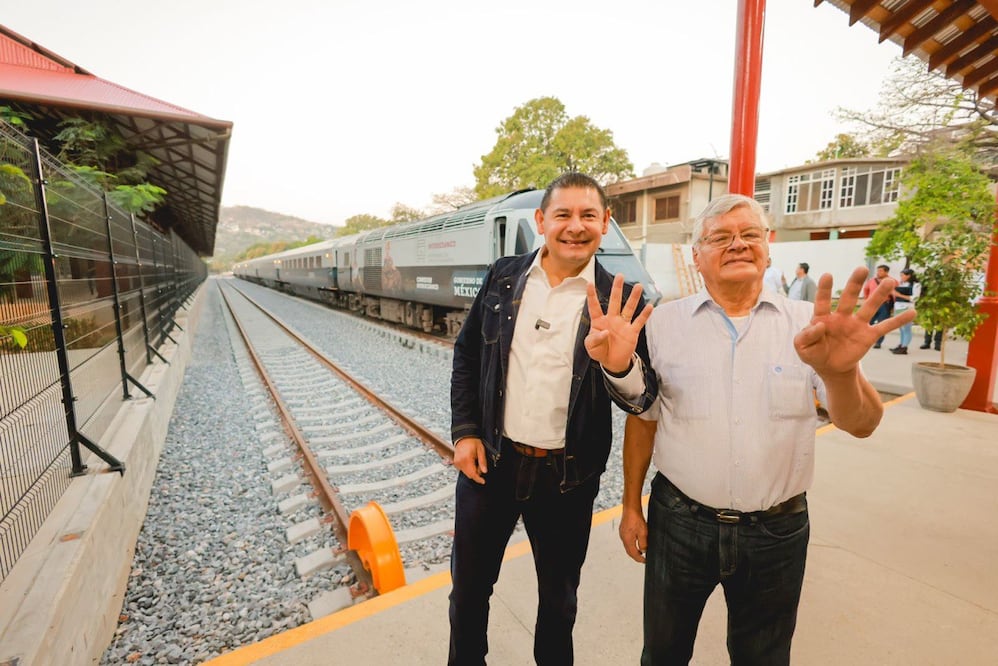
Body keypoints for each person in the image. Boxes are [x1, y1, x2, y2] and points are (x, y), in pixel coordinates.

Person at [617, 194, 913, 665]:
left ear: (768, 248)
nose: (737, 244)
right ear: (697, 256)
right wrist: (631, 506)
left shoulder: (809, 325)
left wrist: (839, 374)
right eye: (719, 237)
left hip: (776, 532)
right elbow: (644, 419)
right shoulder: (663, 325)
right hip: (680, 523)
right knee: (663, 653)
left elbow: (862, 425)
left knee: (764, 658)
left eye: (749, 234)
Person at [448, 172, 659, 665]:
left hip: (567, 479)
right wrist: (465, 432)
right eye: (562, 214)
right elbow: (466, 357)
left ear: (606, 223)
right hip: (491, 468)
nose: (575, 226)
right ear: (542, 221)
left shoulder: (622, 300)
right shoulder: (504, 276)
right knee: (468, 595)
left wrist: (620, 365)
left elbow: (643, 401)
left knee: (559, 606)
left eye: (588, 215)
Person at [863, 264, 894, 348]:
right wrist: (867, 300)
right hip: (872, 304)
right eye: (878, 270)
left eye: (880, 271)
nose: (878, 272)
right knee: (868, 322)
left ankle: (878, 342)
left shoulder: (892, 281)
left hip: (884, 305)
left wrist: (893, 307)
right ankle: (865, 339)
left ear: (886, 272)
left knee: (881, 324)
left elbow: (894, 294)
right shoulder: (872, 280)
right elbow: (866, 289)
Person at [891, 268, 919, 354]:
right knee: (901, 328)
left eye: (902, 275)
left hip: (907, 307)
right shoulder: (902, 283)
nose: (901, 277)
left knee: (906, 328)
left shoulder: (916, 285)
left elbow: (915, 298)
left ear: (909, 276)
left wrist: (899, 295)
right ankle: (901, 344)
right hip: (898, 307)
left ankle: (904, 347)